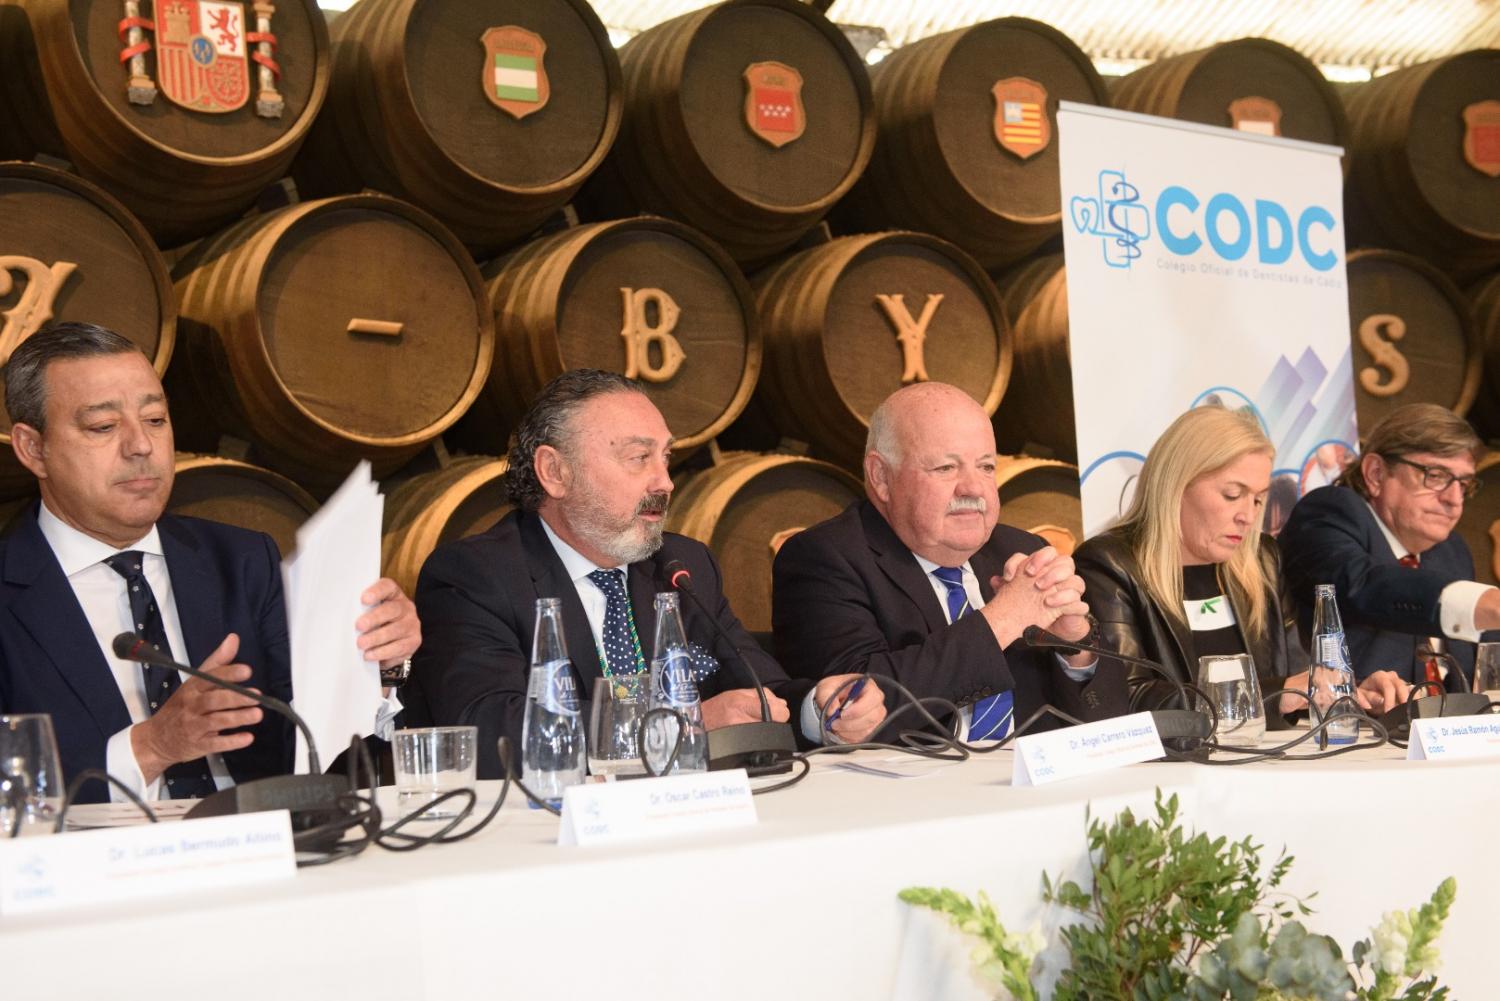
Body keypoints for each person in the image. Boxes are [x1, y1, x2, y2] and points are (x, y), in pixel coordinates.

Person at [0, 322, 421, 803]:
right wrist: (152, 746)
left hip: (261, 839)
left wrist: (377, 669)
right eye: (103, 427)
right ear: (33, 449)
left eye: (155, 419)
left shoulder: (242, 561)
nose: (141, 446)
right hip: (84, 849)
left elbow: (313, 753)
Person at [405, 370, 886, 777]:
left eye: (666, 457)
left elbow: (762, 691)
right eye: (639, 458)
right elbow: (490, 727)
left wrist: (820, 710)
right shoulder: (475, 576)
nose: (665, 481)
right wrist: (680, 725)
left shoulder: (683, 564)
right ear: (554, 472)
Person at [772, 382, 1126, 740]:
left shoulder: (1022, 550)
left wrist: (1075, 647)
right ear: (881, 477)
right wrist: (1004, 619)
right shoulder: (824, 558)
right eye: (945, 468)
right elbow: (857, 709)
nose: (973, 488)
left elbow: (1113, 721)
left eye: (986, 467)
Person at [1073, 405, 1406, 725]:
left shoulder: (1262, 560)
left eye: (1258, 499)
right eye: (1232, 495)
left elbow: (1298, 680)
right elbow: (1124, 700)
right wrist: (1277, 695)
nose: (1248, 516)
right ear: (1176, 485)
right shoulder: (1110, 565)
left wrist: (1349, 693)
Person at [1280, 403, 1497, 695]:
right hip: (1354, 719)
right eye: (1436, 475)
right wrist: (1477, 602)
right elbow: (1361, 584)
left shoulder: (1452, 550)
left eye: (1463, 484)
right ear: (1376, 473)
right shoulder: (1330, 513)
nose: (1454, 499)